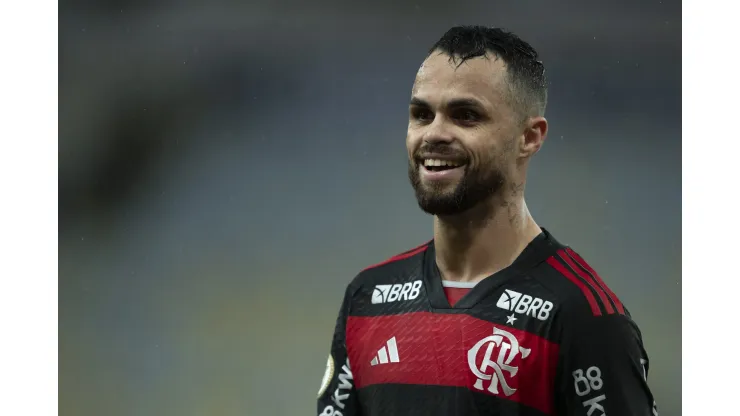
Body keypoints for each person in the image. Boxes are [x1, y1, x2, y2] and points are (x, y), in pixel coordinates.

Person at [316, 25, 658, 416]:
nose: (434, 134)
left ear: (529, 137)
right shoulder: (368, 298)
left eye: (466, 116)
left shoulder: (580, 316)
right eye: (421, 114)